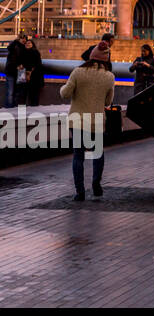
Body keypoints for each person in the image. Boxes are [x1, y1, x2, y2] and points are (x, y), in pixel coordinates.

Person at [60, 41, 116, 200]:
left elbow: (65, 93)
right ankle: (96, 184)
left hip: (77, 120)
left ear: (91, 57)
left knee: (78, 156)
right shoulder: (109, 77)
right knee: (98, 154)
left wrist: (64, 88)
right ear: (106, 60)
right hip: (97, 121)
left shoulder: (78, 72)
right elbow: (107, 102)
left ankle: (80, 192)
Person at [20, 36, 43, 107]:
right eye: (26, 43)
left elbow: (37, 64)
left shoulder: (35, 52)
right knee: (23, 95)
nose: (27, 44)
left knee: (33, 95)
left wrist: (29, 72)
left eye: (29, 43)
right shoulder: (22, 52)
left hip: (34, 77)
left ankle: (33, 111)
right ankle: (24, 112)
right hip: (24, 76)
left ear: (33, 44)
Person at [4, 32, 25, 108]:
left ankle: (15, 108)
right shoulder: (13, 47)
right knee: (10, 92)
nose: (23, 40)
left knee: (18, 92)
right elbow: (9, 48)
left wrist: (22, 65)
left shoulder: (24, 48)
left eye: (24, 39)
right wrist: (16, 40)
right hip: (11, 71)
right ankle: (9, 108)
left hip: (21, 72)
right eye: (22, 38)